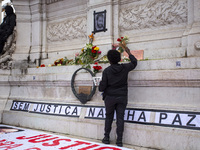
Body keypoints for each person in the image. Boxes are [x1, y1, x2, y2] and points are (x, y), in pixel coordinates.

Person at [99, 47, 137, 147]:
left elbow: (102, 87)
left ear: (109, 60)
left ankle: (106, 137)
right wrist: (129, 53)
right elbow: (134, 63)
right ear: (120, 59)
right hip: (122, 97)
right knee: (120, 118)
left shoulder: (107, 71)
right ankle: (119, 141)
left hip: (110, 98)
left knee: (109, 117)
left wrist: (99, 85)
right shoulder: (125, 68)